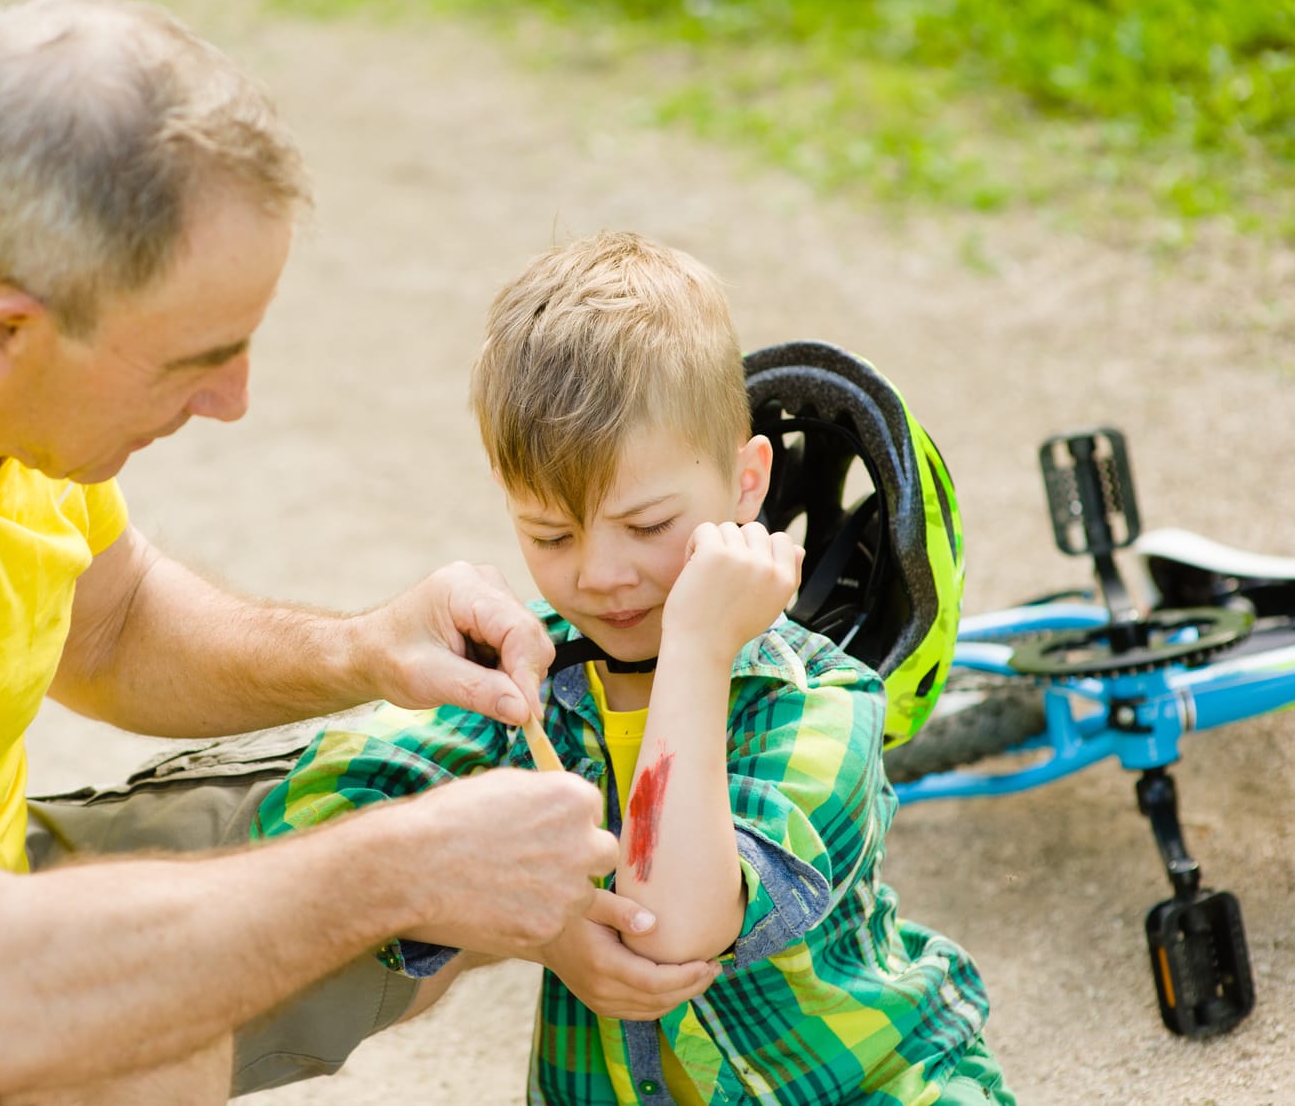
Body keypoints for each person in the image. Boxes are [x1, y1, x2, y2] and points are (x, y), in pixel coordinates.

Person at [0, 0, 627, 1104]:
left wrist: (365, 650)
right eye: (198, 357)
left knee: (390, 801)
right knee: (132, 1032)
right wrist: (396, 870)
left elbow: (114, 621)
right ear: (4, 335)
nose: (234, 400)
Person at [254, 231, 1016, 1104]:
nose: (598, 575)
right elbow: (308, 820)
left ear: (745, 483)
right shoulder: (530, 678)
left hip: (870, 1085)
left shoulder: (824, 699)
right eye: (550, 535)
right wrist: (545, 930)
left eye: (648, 525)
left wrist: (695, 646)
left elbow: (675, 929)